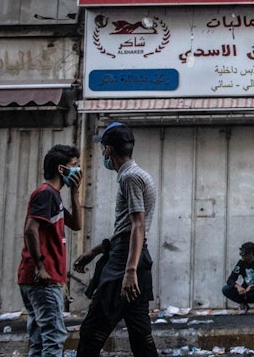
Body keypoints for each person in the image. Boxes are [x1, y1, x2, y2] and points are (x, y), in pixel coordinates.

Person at [76, 122, 159, 357]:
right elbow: (127, 228)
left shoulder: (130, 178)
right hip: (132, 259)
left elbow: (137, 225)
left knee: (92, 332)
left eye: (103, 148)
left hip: (124, 265)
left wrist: (129, 271)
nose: (102, 153)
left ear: (108, 150)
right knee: (141, 337)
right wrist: (95, 251)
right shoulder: (138, 175)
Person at [17, 144, 82, 357]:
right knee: (53, 339)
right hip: (43, 279)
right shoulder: (46, 194)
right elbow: (30, 230)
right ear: (61, 169)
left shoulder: (54, 196)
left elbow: (77, 224)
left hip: (39, 279)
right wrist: (40, 266)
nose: (78, 170)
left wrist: (75, 193)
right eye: (74, 165)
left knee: (39, 339)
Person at [221, 242, 254, 314]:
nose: (242, 256)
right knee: (226, 289)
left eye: (244, 254)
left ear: (251, 253)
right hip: (245, 293)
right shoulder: (241, 263)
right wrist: (238, 286)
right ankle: (243, 304)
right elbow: (230, 279)